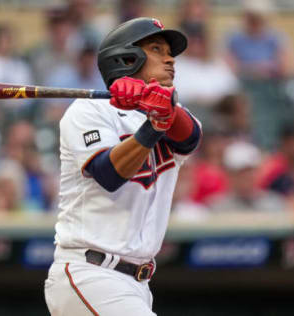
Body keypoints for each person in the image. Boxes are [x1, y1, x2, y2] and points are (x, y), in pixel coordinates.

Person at [44, 17, 202, 315]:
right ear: (127, 58)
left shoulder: (172, 114)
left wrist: (157, 109)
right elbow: (109, 173)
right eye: (157, 49)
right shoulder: (87, 109)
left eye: (170, 52)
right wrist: (154, 124)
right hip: (91, 273)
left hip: (138, 284)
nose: (170, 59)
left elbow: (190, 138)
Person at [209, 141, 286, 212]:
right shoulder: (216, 207)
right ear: (229, 175)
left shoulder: (274, 204)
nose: (246, 176)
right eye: (240, 172)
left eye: (250, 171)